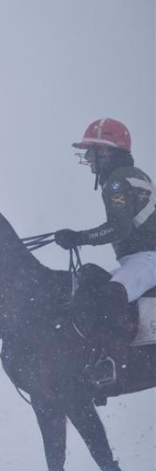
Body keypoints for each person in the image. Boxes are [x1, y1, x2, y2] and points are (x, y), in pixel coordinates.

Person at [54, 118, 155, 388]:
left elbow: (119, 228)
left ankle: (111, 363)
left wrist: (80, 237)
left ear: (106, 151)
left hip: (149, 257)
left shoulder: (117, 182)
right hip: (139, 258)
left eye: (91, 151)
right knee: (91, 282)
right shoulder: (130, 175)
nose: (87, 158)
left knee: (111, 295)